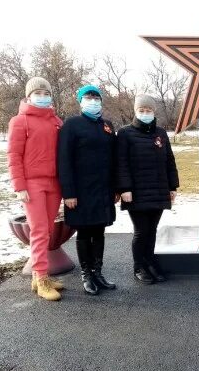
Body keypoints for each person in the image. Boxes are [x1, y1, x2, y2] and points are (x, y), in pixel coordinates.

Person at [7, 77, 64, 301]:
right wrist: (19, 185)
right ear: (28, 96)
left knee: (47, 230)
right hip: (32, 184)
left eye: (45, 93)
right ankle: (41, 277)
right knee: (39, 230)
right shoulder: (19, 121)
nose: (42, 97)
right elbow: (13, 154)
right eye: (37, 93)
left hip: (54, 183)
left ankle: (41, 275)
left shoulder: (56, 121)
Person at [58, 84, 118, 296]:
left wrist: (116, 188)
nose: (93, 100)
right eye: (88, 97)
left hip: (103, 189)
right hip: (80, 191)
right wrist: (69, 193)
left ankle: (97, 272)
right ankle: (87, 275)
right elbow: (64, 160)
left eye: (96, 97)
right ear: (81, 101)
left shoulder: (107, 126)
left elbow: (114, 159)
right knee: (84, 232)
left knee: (99, 231)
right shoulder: (72, 125)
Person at [116, 94, 179, 284]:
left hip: (158, 190)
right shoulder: (125, 133)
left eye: (148, 110)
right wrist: (124, 188)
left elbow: (169, 160)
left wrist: (172, 186)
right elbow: (121, 163)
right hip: (136, 192)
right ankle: (139, 266)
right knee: (141, 231)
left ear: (154, 112)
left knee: (152, 230)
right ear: (135, 111)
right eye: (141, 110)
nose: (145, 113)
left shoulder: (160, 133)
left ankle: (150, 262)